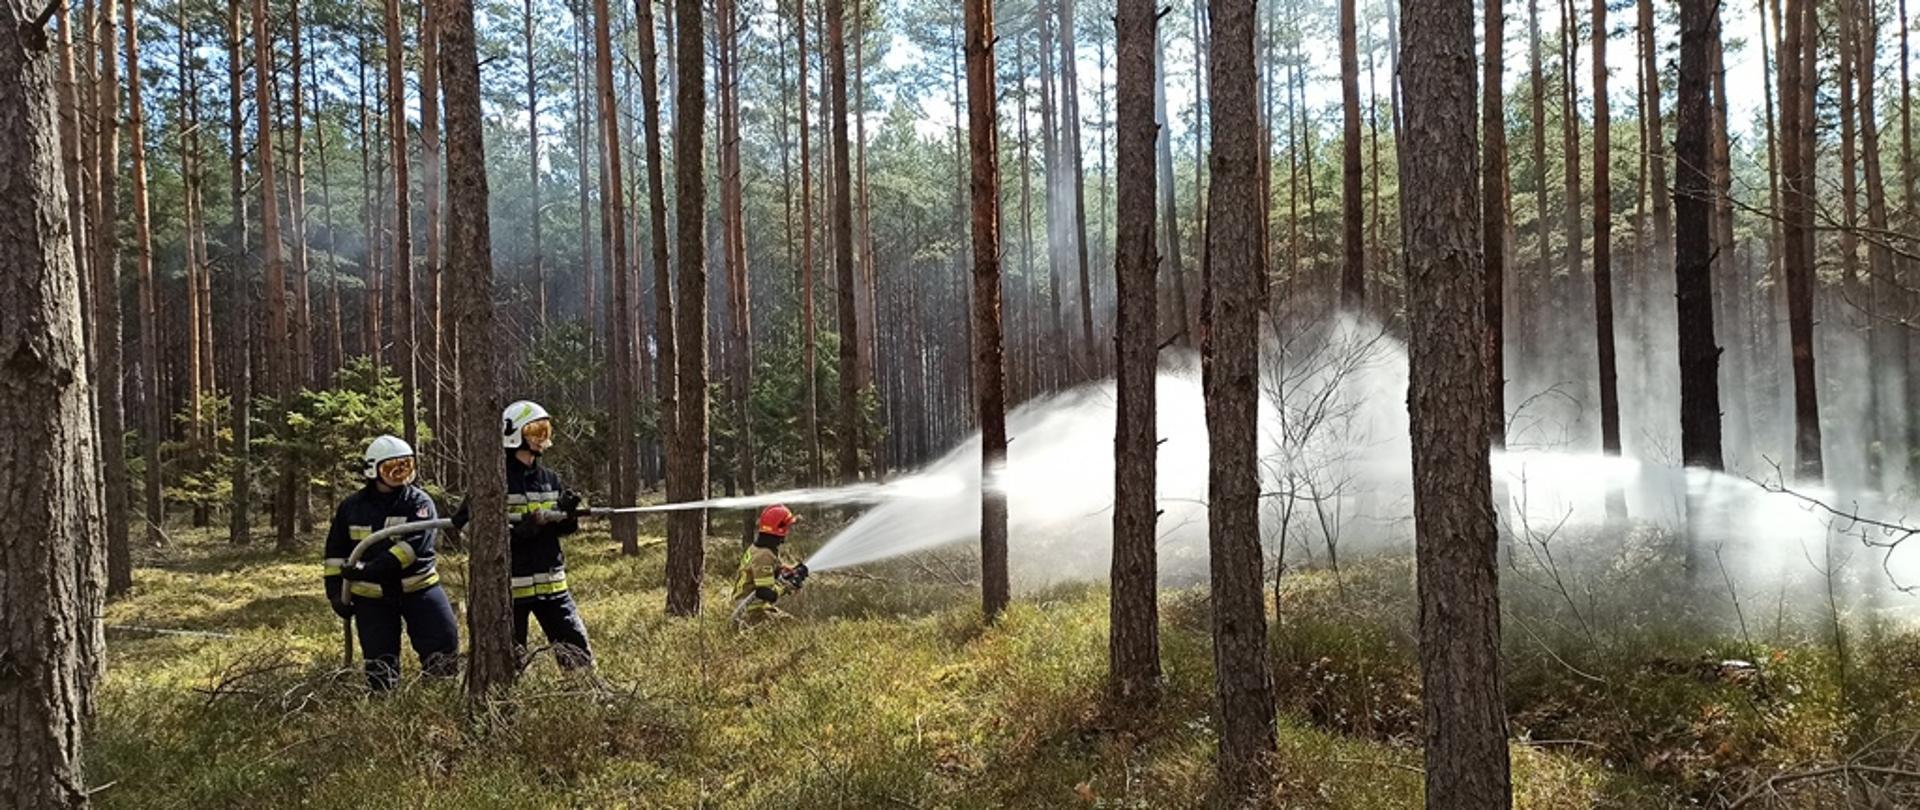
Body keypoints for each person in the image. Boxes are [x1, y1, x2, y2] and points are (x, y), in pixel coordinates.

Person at [323, 435, 459, 691]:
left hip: (420, 591)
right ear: (373, 470)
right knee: (380, 668)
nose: (400, 474)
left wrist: (370, 570)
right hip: (372, 601)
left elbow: (414, 547)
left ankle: (442, 706)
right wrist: (334, 593)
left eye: (405, 466)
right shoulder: (351, 508)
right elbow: (335, 553)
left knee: (443, 653)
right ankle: (385, 714)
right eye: (392, 468)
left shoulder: (419, 502)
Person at [502, 400, 594, 670]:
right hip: (512, 589)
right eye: (536, 431)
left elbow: (562, 530)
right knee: (510, 662)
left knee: (577, 655)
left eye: (545, 431)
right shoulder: (495, 480)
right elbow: (469, 526)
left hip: (552, 585)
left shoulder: (550, 479)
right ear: (514, 435)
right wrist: (520, 532)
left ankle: (584, 700)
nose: (543, 439)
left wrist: (568, 515)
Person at [731, 504, 809, 627]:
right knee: (791, 626)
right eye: (787, 527)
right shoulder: (764, 555)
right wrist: (788, 586)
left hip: (753, 605)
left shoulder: (762, 548)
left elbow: (772, 572)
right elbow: (765, 593)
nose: (788, 531)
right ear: (780, 529)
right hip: (748, 610)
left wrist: (792, 571)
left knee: (791, 623)